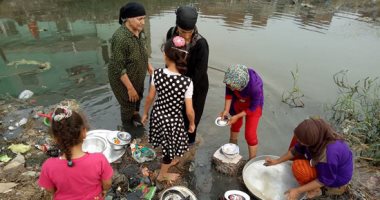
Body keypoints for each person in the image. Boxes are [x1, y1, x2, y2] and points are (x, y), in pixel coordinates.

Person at [142, 36, 195, 182]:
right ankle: (162, 175)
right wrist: (192, 123)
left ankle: (168, 162)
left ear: (166, 55)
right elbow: (189, 111)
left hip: (158, 115)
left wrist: (145, 113)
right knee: (170, 148)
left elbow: (150, 97)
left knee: (166, 144)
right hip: (172, 120)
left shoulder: (156, 74)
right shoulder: (186, 82)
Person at [265, 118, 353, 200]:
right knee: (296, 140)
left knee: (300, 169)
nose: (299, 142)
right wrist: (276, 161)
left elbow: (323, 180)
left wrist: (297, 190)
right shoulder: (317, 131)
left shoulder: (328, 155)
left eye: (302, 141)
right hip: (325, 164)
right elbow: (295, 150)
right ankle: (311, 180)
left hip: (336, 176)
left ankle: (319, 190)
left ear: (312, 142)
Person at [38, 107, 113, 200]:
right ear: (84, 132)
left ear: (55, 138)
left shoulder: (48, 166)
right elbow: (107, 183)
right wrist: (104, 191)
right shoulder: (99, 159)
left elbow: (50, 190)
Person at [108, 2, 154, 133]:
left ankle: (135, 115)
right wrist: (129, 88)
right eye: (139, 19)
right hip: (122, 79)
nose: (143, 22)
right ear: (128, 18)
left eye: (144, 18)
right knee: (128, 103)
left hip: (137, 74)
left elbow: (143, 50)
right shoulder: (120, 38)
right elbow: (118, 66)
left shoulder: (140, 30)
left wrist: (149, 66)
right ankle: (127, 127)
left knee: (138, 96)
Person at [166, 5, 209, 145]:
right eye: (183, 31)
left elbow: (200, 71)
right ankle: (176, 138)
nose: (185, 36)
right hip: (177, 80)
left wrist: (184, 89)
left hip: (196, 85)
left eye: (189, 32)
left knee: (192, 115)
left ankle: (189, 143)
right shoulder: (171, 33)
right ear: (177, 26)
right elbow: (169, 58)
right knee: (176, 113)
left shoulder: (201, 44)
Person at [219, 64, 264, 159]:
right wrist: (226, 110)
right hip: (237, 101)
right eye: (229, 85)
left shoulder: (255, 87)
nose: (229, 87)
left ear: (241, 85)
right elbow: (229, 94)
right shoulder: (231, 79)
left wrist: (238, 116)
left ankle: (251, 160)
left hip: (253, 106)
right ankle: (232, 148)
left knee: (250, 134)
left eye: (232, 87)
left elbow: (253, 108)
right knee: (235, 124)